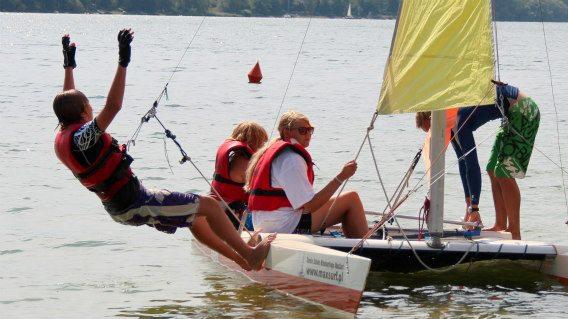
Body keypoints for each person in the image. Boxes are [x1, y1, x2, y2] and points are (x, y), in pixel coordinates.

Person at [52, 30, 273, 271]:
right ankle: (248, 254)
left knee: (197, 217)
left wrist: (69, 66)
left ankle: (242, 262)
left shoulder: (64, 135)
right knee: (210, 206)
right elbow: (113, 106)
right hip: (136, 202)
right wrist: (122, 61)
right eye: (88, 106)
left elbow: (67, 103)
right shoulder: (83, 138)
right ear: (84, 111)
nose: (92, 110)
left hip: (122, 206)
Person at [416, 82, 540, 240]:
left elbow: (472, 163)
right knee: (492, 169)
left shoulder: (460, 119)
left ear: (436, 118)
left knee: (503, 172)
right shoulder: (451, 125)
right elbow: (463, 163)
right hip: (510, 115)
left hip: (525, 111)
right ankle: (500, 225)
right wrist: (469, 206)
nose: (437, 135)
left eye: (432, 129)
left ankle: (515, 232)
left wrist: (474, 207)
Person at [245, 111, 368, 237]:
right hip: (285, 226)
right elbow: (310, 206)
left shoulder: (273, 152)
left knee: (344, 201)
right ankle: (366, 250)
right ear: (287, 132)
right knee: (351, 198)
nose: (308, 134)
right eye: (302, 130)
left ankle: (353, 246)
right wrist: (341, 177)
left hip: (264, 224)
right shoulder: (292, 159)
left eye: (310, 130)